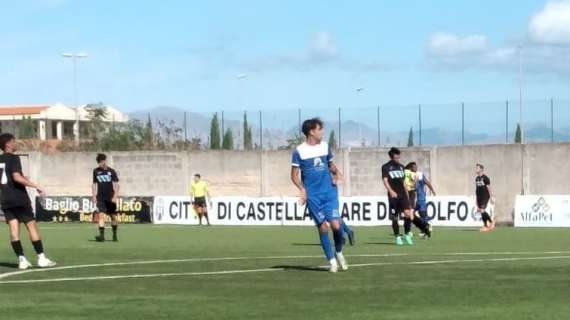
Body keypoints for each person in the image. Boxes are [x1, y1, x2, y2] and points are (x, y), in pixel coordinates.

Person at [291, 118, 347, 272]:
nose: (322, 132)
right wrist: (302, 190)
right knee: (323, 228)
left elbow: (330, 165)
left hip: (329, 191)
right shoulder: (299, 151)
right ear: (311, 131)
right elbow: (294, 175)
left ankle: (339, 251)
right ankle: (332, 261)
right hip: (313, 195)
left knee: (336, 226)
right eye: (320, 129)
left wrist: (337, 173)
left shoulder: (325, 147)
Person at [0, 133, 56, 269]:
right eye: (14, 141)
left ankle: (22, 260)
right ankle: (41, 258)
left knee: (14, 230)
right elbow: (16, 177)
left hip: (6, 199)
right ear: (8, 144)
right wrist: (36, 185)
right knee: (31, 226)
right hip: (19, 199)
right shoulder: (14, 158)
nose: (15, 143)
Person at [382, 148, 430, 246]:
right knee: (395, 218)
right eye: (396, 157)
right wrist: (391, 191)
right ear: (392, 156)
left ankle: (407, 234)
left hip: (403, 194)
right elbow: (385, 180)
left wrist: (407, 195)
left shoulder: (401, 167)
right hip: (393, 196)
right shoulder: (386, 167)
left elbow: (404, 183)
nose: (398, 158)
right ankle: (397, 237)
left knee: (408, 214)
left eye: (399, 156)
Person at [92, 154, 120, 242]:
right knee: (101, 216)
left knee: (113, 217)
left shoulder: (111, 171)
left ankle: (114, 235)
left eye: (101, 162)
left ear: (104, 161)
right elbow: (94, 184)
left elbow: (117, 185)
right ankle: (102, 236)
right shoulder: (96, 171)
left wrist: (115, 196)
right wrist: (93, 195)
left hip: (110, 197)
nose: (100, 164)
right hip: (100, 197)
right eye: (98, 162)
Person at [409, 163, 436, 238]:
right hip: (417, 200)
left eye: (415, 167)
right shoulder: (411, 175)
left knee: (422, 215)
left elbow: (427, 182)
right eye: (413, 167)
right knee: (411, 214)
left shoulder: (420, 175)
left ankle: (427, 228)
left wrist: (432, 190)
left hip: (421, 199)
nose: (415, 168)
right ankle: (413, 230)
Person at [475, 164, 495, 232]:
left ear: (481, 169)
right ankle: (489, 224)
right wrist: (476, 199)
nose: (476, 169)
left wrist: (491, 197)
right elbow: (477, 189)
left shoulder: (485, 178)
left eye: (477, 168)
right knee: (481, 211)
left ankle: (488, 224)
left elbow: (488, 188)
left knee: (482, 210)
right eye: (476, 168)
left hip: (485, 196)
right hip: (479, 197)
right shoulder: (477, 178)